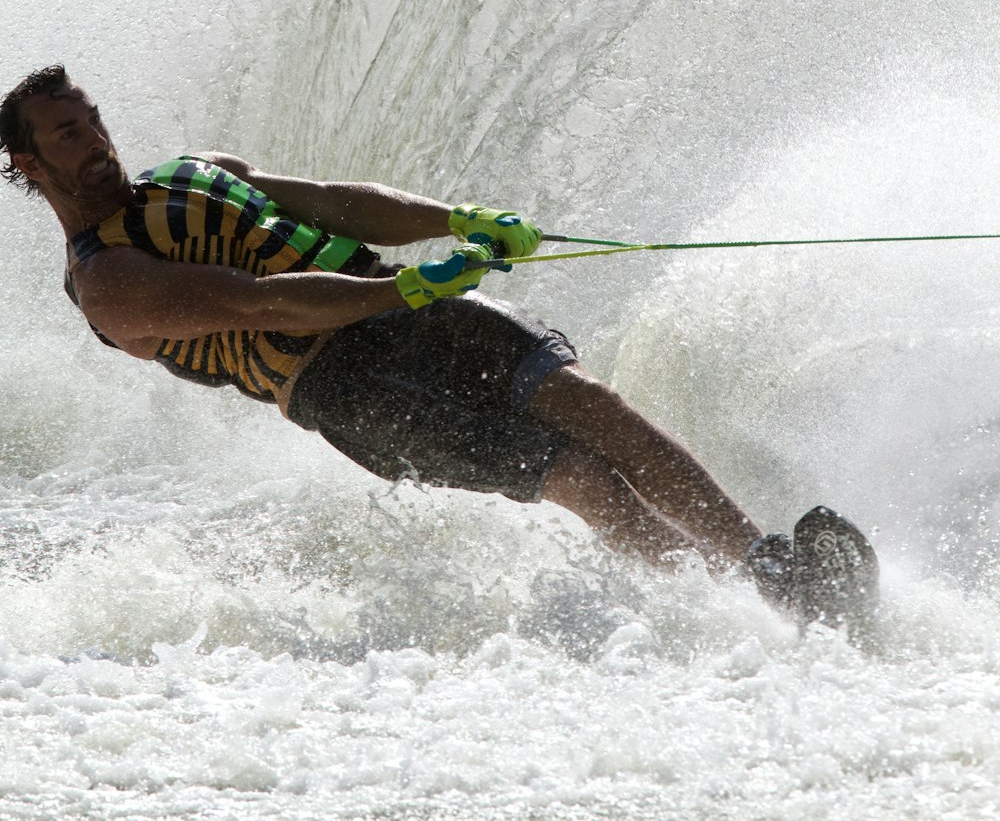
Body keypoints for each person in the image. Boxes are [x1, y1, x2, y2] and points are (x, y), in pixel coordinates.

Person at [1, 63, 803, 605]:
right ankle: (735, 605)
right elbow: (257, 304)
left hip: (408, 310)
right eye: (67, 136)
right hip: (344, 388)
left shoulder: (195, 173)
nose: (95, 141)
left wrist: (456, 220)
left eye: (92, 120)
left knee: (593, 403)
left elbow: (331, 203)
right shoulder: (107, 284)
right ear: (30, 166)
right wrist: (405, 288)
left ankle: (775, 567)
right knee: (581, 477)